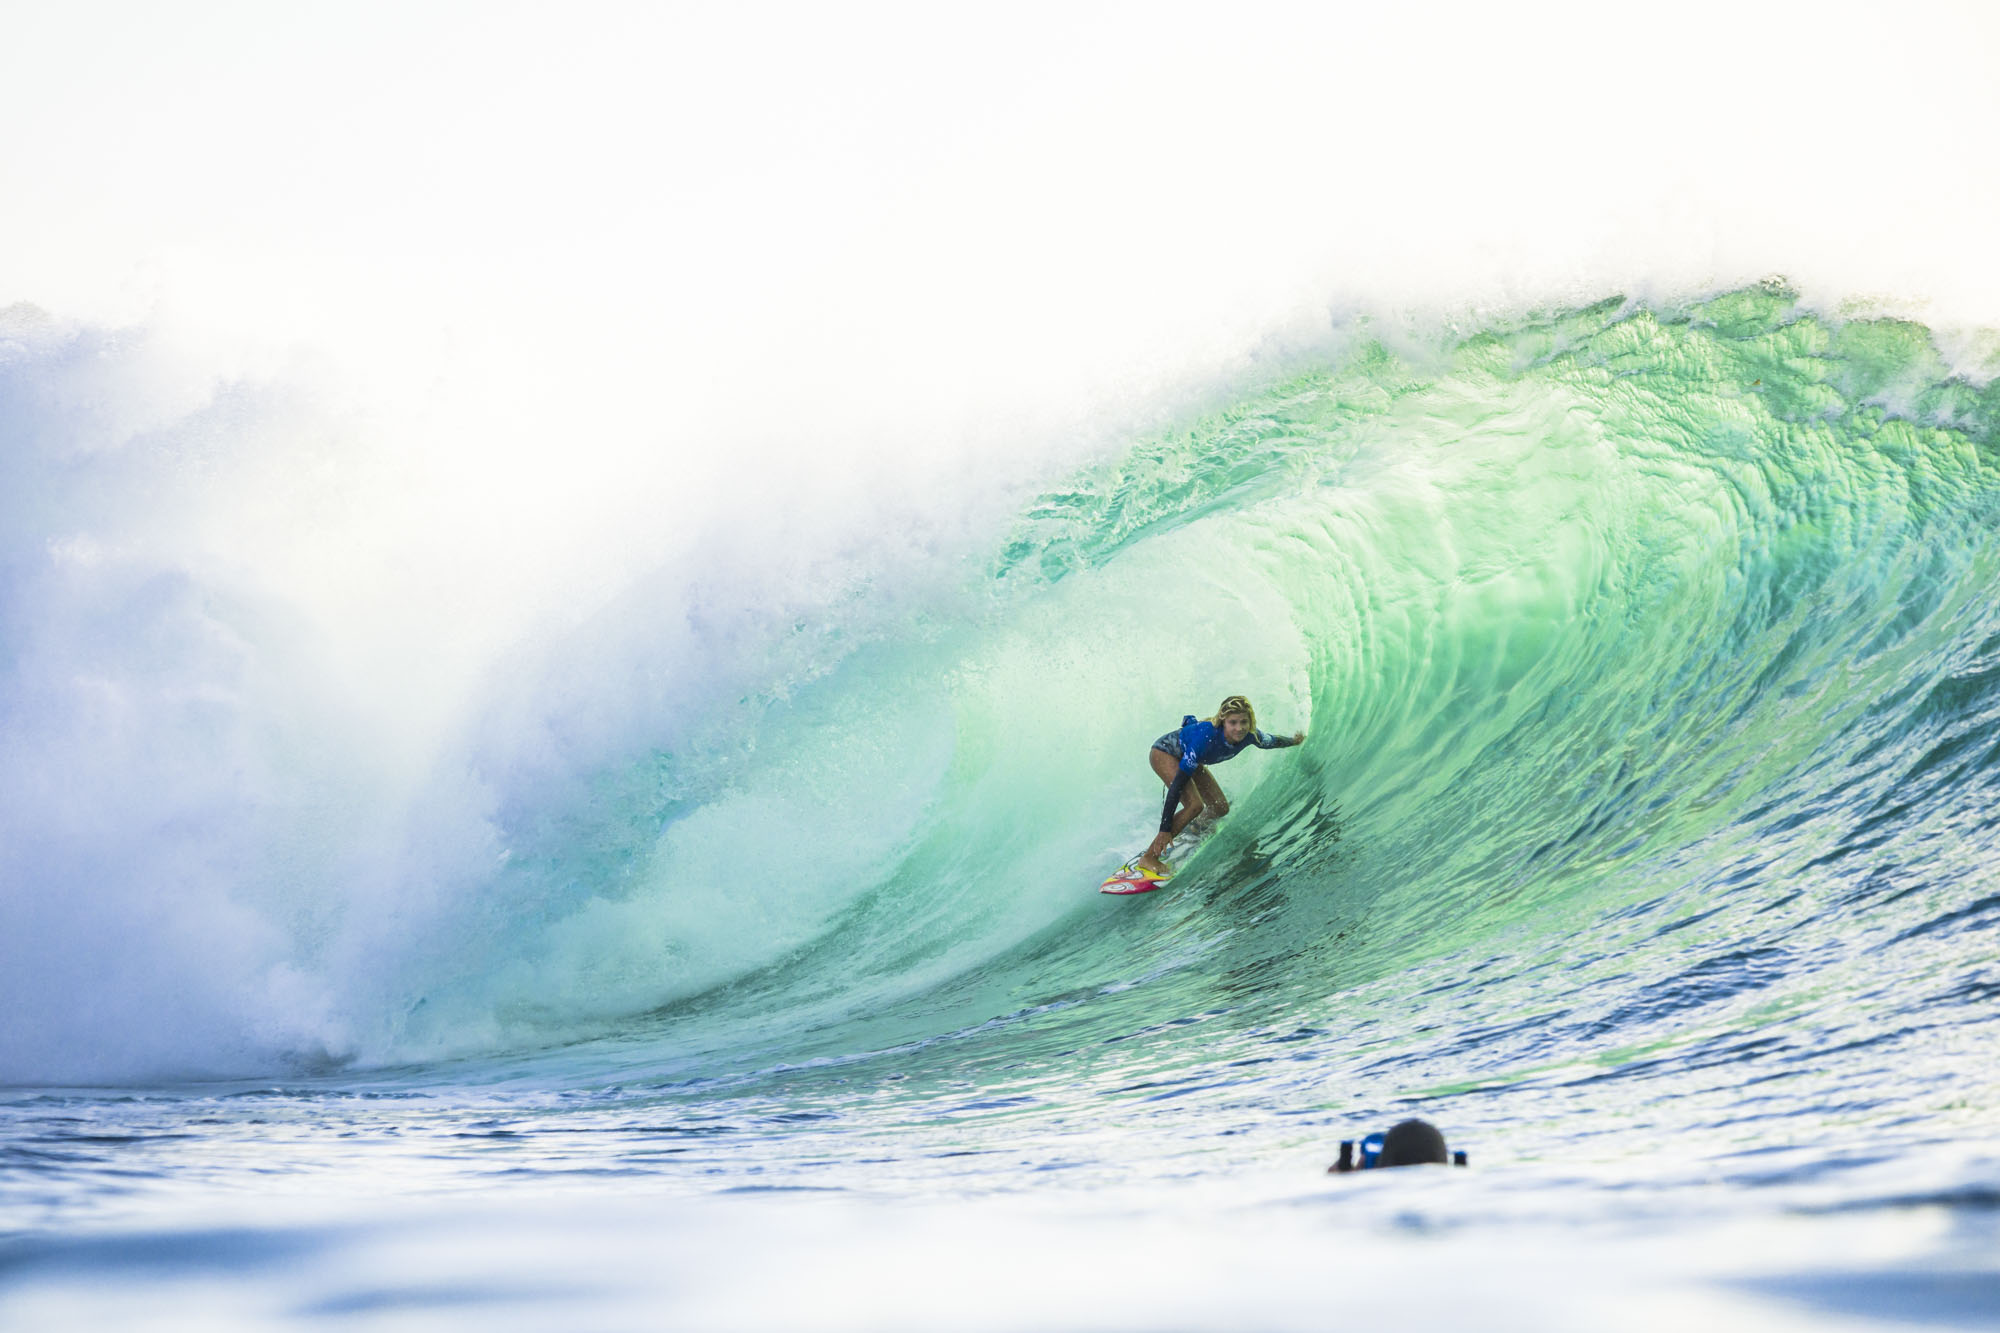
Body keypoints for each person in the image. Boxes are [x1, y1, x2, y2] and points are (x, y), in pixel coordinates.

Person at [1132, 695, 1304, 878]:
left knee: (1220, 808)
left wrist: (1294, 741)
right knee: (1194, 805)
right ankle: (1149, 857)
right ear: (1223, 721)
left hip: (1189, 757)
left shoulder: (1251, 735)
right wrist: (1165, 829)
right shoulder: (1204, 741)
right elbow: (1176, 788)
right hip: (1165, 753)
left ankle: (1196, 827)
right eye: (1233, 722)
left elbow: (1273, 741)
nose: (1239, 728)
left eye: (1244, 722)